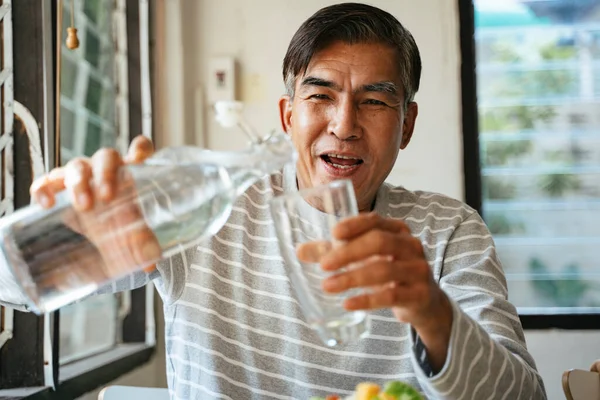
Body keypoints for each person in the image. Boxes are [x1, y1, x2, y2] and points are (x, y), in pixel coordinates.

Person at [4, 3, 547, 399]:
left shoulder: (449, 229)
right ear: (289, 118)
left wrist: (432, 310)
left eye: (375, 101)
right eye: (320, 96)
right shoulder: (206, 210)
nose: (344, 125)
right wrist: (64, 236)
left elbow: (523, 396)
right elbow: (9, 284)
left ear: (406, 124)